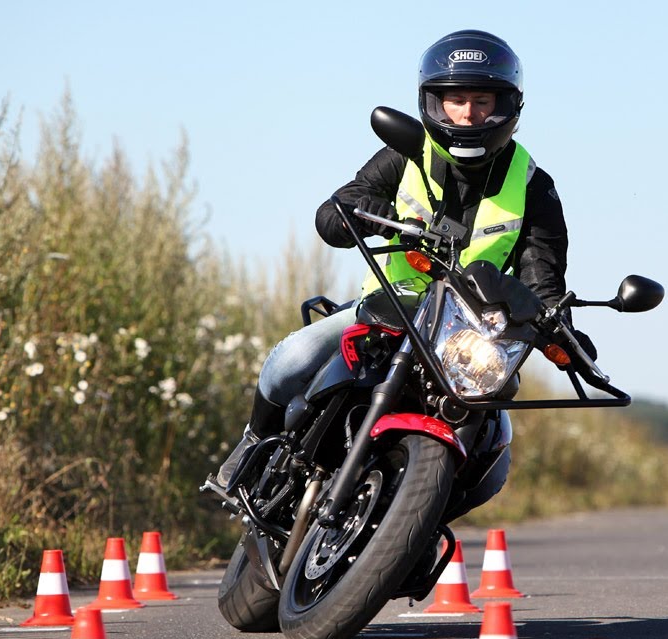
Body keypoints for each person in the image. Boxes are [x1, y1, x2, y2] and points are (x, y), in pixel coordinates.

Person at [212, 29, 593, 509]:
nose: (468, 113)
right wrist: (383, 217)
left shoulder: (534, 186)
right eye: (455, 100)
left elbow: (545, 279)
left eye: (481, 100)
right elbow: (334, 214)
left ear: (508, 107)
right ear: (433, 103)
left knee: (494, 438)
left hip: (469, 335)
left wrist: (564, 333)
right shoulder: (406, 153)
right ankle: (251, 445)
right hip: (386, 309)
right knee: (295, 355)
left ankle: (422, 515)